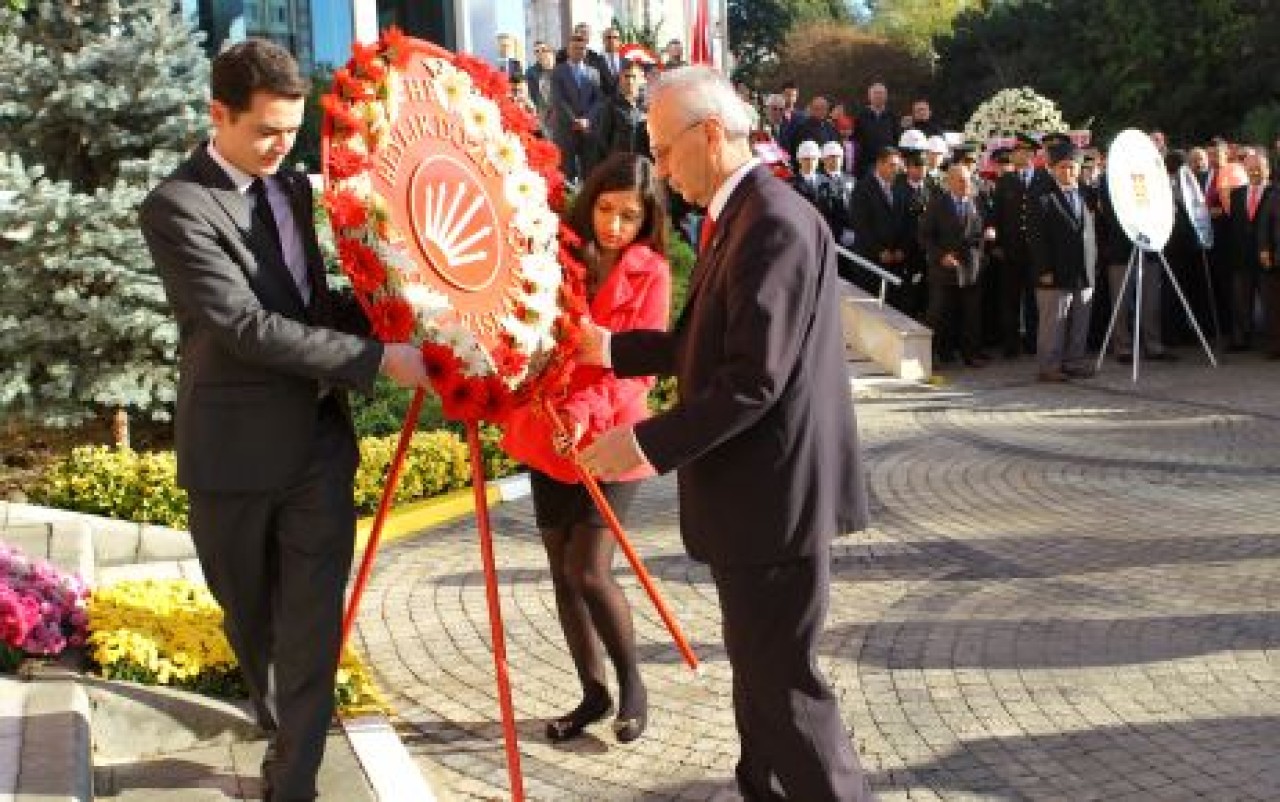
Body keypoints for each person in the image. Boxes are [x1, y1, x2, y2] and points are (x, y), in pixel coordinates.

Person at [138, 40, 428, 802]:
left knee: (310, 627)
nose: (281, 147)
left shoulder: (293, 188)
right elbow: (244, 327)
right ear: (219, 115)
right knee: (253, 620)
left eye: (292, 131)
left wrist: (405, 315)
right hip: (232, 455)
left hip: (317, 447)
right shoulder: (176, 206)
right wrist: (375, 361)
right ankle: (276, 711)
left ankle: (292, 778)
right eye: (266, 131)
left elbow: (308, 303)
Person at [576, 65, 874, 802]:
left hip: (773, 502)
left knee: (786, 691)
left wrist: (643, 443)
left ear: (709, 134)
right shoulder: (737, 216)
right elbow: (700, 341)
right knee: (761, 681)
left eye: (664, 149)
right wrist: (608, 348)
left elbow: (751, 378)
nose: (660, 170)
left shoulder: (771, 222)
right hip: (757, 502)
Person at [502, 153, 671, 744]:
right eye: (605, 209)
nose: (614, 227)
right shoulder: (558, 253)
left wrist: (585, 414)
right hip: (548, 431)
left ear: (647, 220)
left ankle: (632, 684)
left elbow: (641, 368)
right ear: (590, 201)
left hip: (612, 434)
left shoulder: (652, 271)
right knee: (561, 571)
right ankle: (591, 693)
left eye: (630, 216)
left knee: (590, 570)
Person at [1029, 141, 1100, 382]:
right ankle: (1049, 366)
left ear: (1079, 169)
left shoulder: (1085, 193)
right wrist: (1044, 269)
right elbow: (1037, 238)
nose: (1067, 172)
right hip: (1054, 271)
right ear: (1052, 168)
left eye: (1072, 167)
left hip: (1084, 269)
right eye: (1062, 167)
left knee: (1081, 320)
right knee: (1054, 322)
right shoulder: (1042, 197)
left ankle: (1073, 362)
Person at [919, 164, 989, 367]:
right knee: (939, 313)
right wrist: (940, 256)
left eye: (968, 179)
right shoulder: (937, 204)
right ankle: (932, 354)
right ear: (949, 182)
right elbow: (924, 236)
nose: (965, 183)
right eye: (960, 180)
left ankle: (971, 353)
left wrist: (987, 236)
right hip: (944, 267)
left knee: (972, 313)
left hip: (970, 267)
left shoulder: (977, 202)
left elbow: (982, 229)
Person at [550, 34, 603, 182]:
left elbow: (598, 100)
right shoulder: (558, 72)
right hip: (566, 130)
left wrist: (587, 120)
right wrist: (575, 121)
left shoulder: (594, 73)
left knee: (589, 173)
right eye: (575, 48)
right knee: (566, 173)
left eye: (582, 49)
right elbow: (558, 100)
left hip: (588, 131)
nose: (579, 51)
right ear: (568, 50)